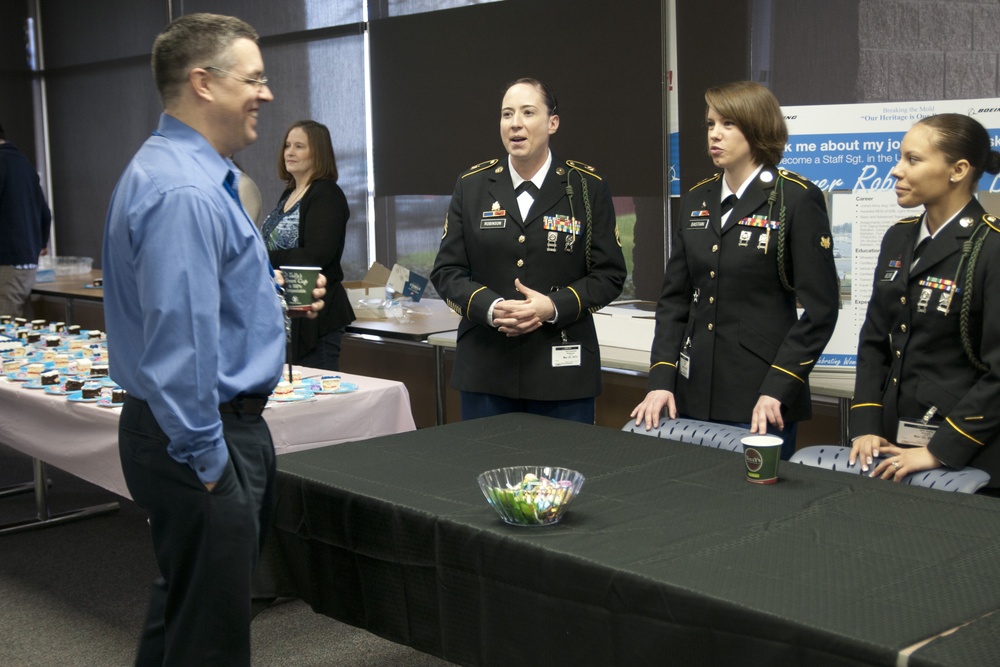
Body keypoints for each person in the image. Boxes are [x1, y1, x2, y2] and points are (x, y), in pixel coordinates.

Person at [102, 13, 324, 666]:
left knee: (184, 615)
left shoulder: (184, 173)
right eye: (253, 78)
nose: (267, 93)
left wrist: (270, 303)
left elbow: (198, 304)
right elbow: (180, 350)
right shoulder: (186, 192)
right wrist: (210, 466)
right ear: (203, 82)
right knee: (212, 641)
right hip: (202, 435)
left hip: (189, 430)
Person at [630, 81, 839, 460]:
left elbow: (821, 310)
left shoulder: (794, 198)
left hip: (760, 395)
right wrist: (661, 378)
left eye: (728, 124)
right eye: (711, 124)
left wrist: (780, 386)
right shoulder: (697, 197)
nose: (715, 134)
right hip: (692, 389)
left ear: (757, 129)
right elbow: (675, 299)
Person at [431, 77, 626, 424]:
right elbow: (447, 272)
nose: (515, 123)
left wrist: (552, 306)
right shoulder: (472, 185)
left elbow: (609, 275)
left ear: (552, 123)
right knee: (485, 474)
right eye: (507, 114)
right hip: (486, 369)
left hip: (562, 374)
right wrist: (491, 307)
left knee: (562, 476)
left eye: (527, 112)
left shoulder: (585, 187)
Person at [849, 113, 1000, 490]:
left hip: (964, 458)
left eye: (913, 160)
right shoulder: (898, 238)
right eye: (900, 158)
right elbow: (874, 342)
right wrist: (866, 426)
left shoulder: (992, 246)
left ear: (958, 169)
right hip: (888, 448)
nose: (896, 171)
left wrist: (940, 449)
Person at [261, 120, 354, 371]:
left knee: (317, 401)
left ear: (318, 153)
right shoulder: (288, 194)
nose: (289, 152)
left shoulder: (326, 194)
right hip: (287, 317)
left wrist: (262, 258)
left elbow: (316, 255)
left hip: (317, 320)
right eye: (287, 145)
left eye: (299, 146)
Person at [0, 121, 51, 317]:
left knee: (6, 334)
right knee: (21, 331)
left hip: (6, 263)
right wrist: (40, 243)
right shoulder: (22, 162)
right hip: (25, 264)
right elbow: (45, 212)